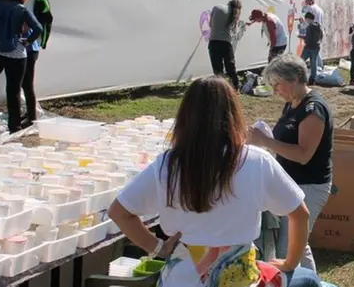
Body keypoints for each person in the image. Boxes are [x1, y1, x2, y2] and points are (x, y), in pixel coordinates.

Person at [108, 76, 321, 287]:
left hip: (180, 279)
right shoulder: (257, 160)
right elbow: (300, 213)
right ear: (233, 114)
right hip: (239, 279)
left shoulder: (168, 164)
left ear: (185, 117)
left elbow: (119, 212)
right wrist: (290, 262)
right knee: (308, 278)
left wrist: (158, 248)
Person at [250, 54, 334, 274]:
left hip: (310, 185)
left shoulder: (313, 109)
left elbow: (304, 154)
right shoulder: (292, 104)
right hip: (292, 182)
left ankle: (308, 281)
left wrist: (265, 141)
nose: (276, 90)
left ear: (295, 78)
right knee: (290, 243)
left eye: (278, 84)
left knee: (294, 244)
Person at [0, 0, 43, 133]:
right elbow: (38, 28)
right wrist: (27, 41)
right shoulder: (20, 9)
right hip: (16, 54)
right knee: (13, 91)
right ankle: (14, 127)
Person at [208, 0, 243, 89]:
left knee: (217, 69)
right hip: (225, 43)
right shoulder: (235, 13)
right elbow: (233, 29)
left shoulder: (217, 7)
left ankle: (220, 88)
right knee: (230, 67)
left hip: (213, 41)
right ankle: (235, 86)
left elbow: (210, 24)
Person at [21, 26, 40, 128]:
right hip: (29, 50)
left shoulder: (21, 12)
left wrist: (28, 41)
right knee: (25, 85)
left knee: (27, 85)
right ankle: (30, 113)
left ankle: (32, 117)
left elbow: (35, 27)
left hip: (29, 51)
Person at [301, 0, 324, 70]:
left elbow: (306, 19)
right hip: (318, 31)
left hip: (311, 31)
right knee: (315, 51)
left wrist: (302, 26)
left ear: (311, 1)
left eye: (307, 1)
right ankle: (320, 67)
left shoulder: (310, 8)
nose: (306, 3)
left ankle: (315, 69)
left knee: (310, 53)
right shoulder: (320, 9)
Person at [300, 12, 322, 86]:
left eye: (306, 19)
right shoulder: (318, 26)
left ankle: (300, 77)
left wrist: (302, 37)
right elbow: (319, 36)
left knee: (300, 61)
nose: (306, 21)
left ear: (308, 19)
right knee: (313, 63)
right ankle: (312, 79)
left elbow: (309, 37)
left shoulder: (310, 26)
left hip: (309, 46)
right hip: (315, 47)